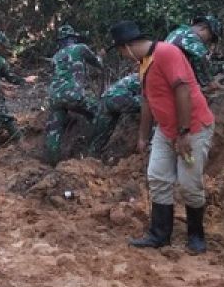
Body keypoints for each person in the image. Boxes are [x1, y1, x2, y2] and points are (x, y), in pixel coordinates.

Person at [111, 20, 214, 254]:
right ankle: (159, 234)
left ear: (127, 46)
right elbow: (148, 100)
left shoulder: (167, 53)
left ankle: (196, 236)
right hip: (166, 130)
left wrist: (184, 132)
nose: (123, 56)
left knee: (189, 184)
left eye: (120, 51)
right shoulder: (144, 64)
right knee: (157, 177)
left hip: (193, 128)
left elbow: (182, 90)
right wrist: (143, 136)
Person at [44, 24, 102, 166]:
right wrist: (101, 56)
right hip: (73, 95)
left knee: (54, 129)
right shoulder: (81, 48)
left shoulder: (56, 56)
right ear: (73, 38)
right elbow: (98, 64)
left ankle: (52, 162)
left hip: (54, 97)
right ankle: (94, 151)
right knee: (98, 112)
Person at [87, 73, 142, 157]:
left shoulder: (134, 77)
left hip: (105, 100)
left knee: (101, 136)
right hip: (119, 98)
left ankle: (91, 157)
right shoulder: (146, 76)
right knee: (150, 103)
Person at [166, 15, 222, 87]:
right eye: (210, 38)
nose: (208, 41)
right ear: (203, 28)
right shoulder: (190, 36)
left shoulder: (178, 31)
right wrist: (209, 82)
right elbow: (200, 57)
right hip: (171, 77)